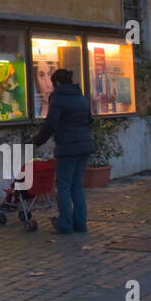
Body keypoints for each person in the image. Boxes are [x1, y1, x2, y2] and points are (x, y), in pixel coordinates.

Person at [32, 68, 95, 235]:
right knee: (77, 186)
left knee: (64, 186)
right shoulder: (81, 97)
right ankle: (80, 224)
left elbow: (50, 124)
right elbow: (89, 120)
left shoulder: (58, 98)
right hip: (84, 146)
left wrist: (37, 140)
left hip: (67, 148)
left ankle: (66, 225)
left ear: (57, 83)